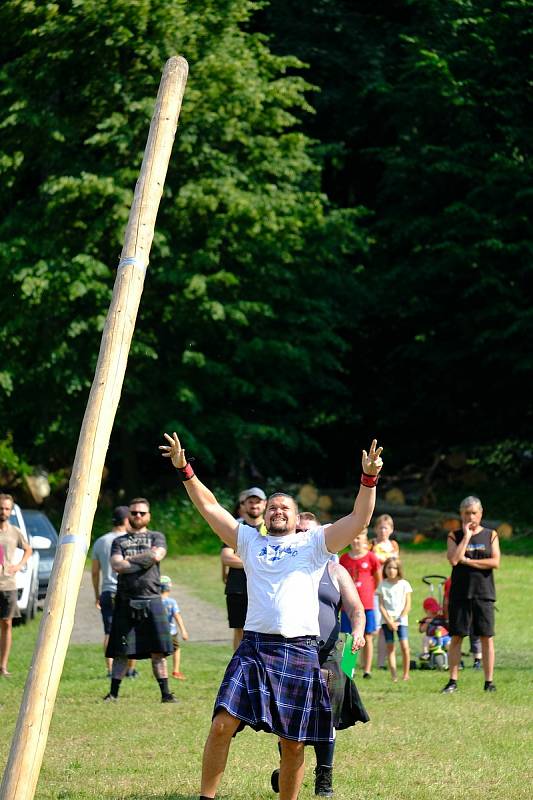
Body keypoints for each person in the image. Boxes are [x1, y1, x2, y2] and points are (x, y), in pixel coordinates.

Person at [160, 431, 383, 800]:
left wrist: (369, 478)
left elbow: (360, 518)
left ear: (297, 519)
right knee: (220, 726)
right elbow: (210, 508)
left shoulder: (314, 543)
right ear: (264, 516)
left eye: (285, 508)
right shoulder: (250, 542)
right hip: (255, 647)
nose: (278, 510)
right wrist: (185, 469)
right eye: (272, 507)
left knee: (293, 744)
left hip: (299, 648)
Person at [271, 557, 369, 796]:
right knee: (291, 718)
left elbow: (356, 608)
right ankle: (287, 770)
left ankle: (324, 779)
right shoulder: (284, 567)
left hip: (331, 653)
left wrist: (357, 631)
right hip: (292, 651)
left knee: (329, 716)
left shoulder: (335, 570)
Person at [103, 497, 176, 703]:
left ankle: (166, 694)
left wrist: (130, 561)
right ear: (129, 516)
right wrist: (145, 559)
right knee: (120, 649)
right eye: (134, 513)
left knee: (158, 651)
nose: (137, 516)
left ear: (148, 516)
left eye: (141, 513)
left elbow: (157, 556)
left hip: (152, 597)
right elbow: (117, 565)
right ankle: (113, 694)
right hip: (126, 599)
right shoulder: (119, 541)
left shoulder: (157, 536)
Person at [441, 496, 500, 694]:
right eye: (467, 513)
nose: (471, 516)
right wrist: (466, 537)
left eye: (474, 513)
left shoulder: (491, 535)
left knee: (486, 637)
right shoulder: (454, 535)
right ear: (461, 514)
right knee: (457, 637)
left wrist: (471, 562)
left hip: (484, 593)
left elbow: (495, 562)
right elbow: (454, 560)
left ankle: (488, 682)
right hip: (460, 593)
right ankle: (452, 681)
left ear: (481, 513)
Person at [91, 506, 137, 678]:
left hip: (107, 591)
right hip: (128, 591)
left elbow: (95, 572)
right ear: (126, 520)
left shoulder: (100, 541)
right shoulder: (130, 540)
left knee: (109, 632)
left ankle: (111, 670)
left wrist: (97, 593)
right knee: (131, 630)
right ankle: (130, 670)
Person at [220, 487, 266, 650]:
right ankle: (239, 668)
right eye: (250, 502)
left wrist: (240, 558)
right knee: (239, 630)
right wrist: (260, 561)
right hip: (237, 587)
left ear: (265, 504)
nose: (254, 505)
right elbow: (226, 557)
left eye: (257, 502)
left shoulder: (270, 530)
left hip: (263, 587)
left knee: (262, 630)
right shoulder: (237, 529)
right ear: (244, 505)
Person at [339, 529, 381, 678]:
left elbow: (377, 579)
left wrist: (370, 593)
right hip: (348, 606)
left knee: (367, 636)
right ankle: (349, 668)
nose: (356, 541)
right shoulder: (343, 559)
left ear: (365, 541)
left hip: (367, 605)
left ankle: (367, 669)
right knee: (349, 637)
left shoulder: (371, 558)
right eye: (354, 538)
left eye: (359, 538)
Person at [0, 493, 33, 677]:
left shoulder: (14, 532)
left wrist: (19, 565)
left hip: (8, 585)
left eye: (6, 508)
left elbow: (28, 549)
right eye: (1, 508)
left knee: (7, 623)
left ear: (11, 511)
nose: (3, 511)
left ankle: (3, 666)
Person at [370, 514, 399, 669]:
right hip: (374, 589)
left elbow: (397, 565)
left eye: (386, 527)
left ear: (391, 529)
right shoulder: (371, 544)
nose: (383, 530)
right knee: (373, 629)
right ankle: (361, 660)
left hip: (390, 590)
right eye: (380, 527)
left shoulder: (394, 545)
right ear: (375, 529)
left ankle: (381, 663)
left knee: (384, 627)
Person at [376, 557, 412, 682]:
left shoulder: (404, 584)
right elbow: (381, 606)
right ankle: (394, 676)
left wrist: (398, 620)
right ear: (385, 569)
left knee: (405, 646)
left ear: (399, 570)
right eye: (389, 568)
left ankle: (406, 674)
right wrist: (389, 621)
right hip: (387, 621)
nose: (392, 570)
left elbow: (408, 605)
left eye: (394, 568)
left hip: (401, 621)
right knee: (390, 647)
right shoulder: (382, 585)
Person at [160, 575, 189, 679]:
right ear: (169, 588)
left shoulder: (154, 601)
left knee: (161, 654)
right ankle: (176, 671)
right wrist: (183, 631)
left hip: (158, 633)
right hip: (171, 632)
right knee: (176, 649)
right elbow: (177, 617)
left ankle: (162, 673)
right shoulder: (171, 602)